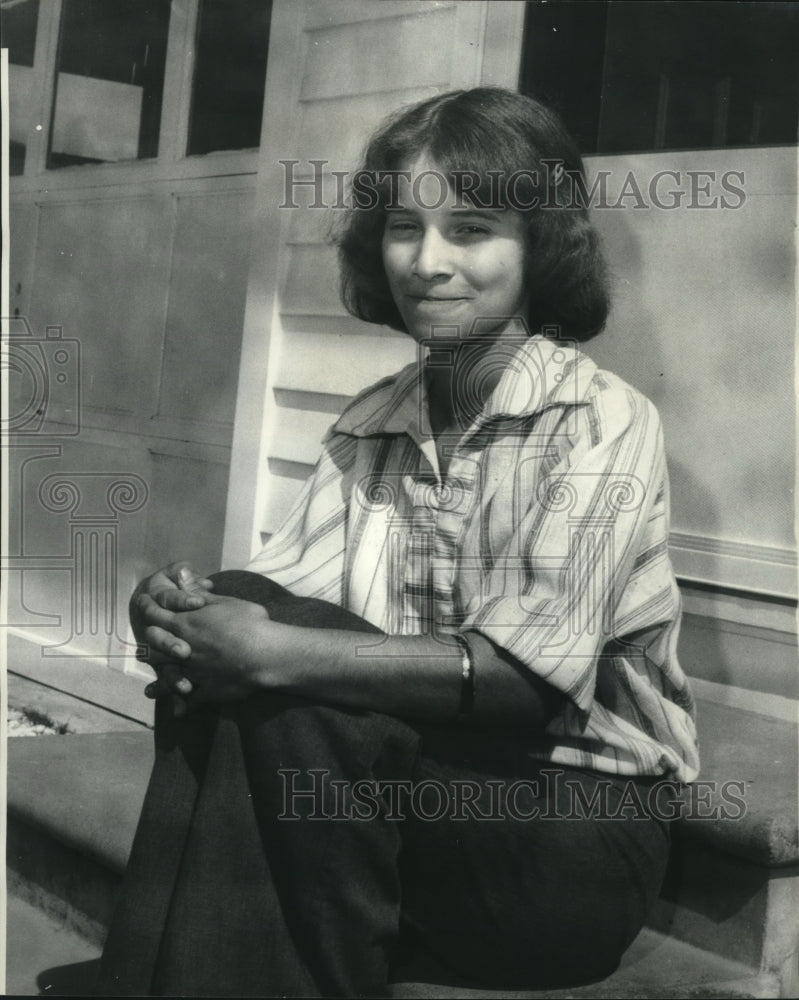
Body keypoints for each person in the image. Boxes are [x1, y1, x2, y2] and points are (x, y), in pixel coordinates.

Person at [97, 88, 699, 998]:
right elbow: (275, 599)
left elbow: (525, 679)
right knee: (243, 632)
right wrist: (180, 612)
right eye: (403, 229)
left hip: (564, 840)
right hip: (408, 809)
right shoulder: (372, 421)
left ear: (540, 244)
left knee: (288, 677)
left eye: (470, 230)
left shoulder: (601, 422)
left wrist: (269, 649)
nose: (427, 263)